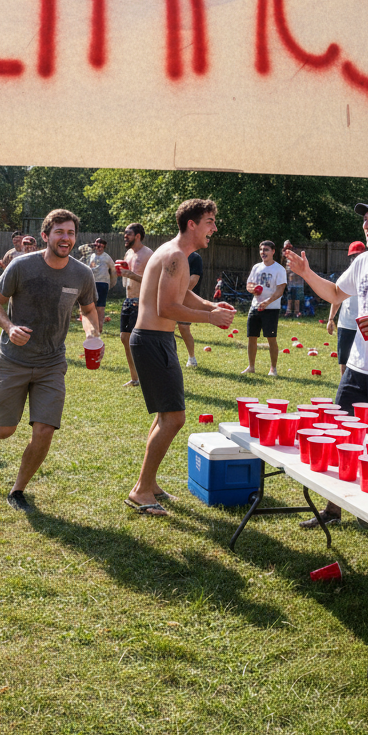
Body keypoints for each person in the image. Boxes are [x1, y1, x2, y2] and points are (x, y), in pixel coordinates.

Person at [0, 210, 99, 512]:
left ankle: (18, 490)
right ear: (46, 236)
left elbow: (89, 310)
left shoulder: (81, 274)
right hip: (14, 360)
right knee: (6, 430)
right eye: (59, 232)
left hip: (52, 363)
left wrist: (93, 333)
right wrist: (9, 327)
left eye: (70, 233)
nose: (65, 238)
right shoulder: (21, 266)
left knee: (44, 430)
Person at [125, 199, 235, 516]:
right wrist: (210, 319)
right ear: (192, 224)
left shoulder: (176, 254)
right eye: (210, 221)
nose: (214, 228)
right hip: (153, 340)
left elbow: (182, 294)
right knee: (174, 418)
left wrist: (211, 307)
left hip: (155, 340)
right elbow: (166, 308)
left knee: (165, 415)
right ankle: (142, 490)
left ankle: (150, 484)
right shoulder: (175, 255)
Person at [286, 204, 368, 528]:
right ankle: (334, 509)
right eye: (365, 219)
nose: (366, 224)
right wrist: (306, 273)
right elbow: (335, 293)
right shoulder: (364, 261)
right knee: (339, 434)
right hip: (357, 367)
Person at [242, 241, 287, 377]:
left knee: (271, 338)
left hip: (271, 308)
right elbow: (249, 284)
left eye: (266, 250)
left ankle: (273, 368)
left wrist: (267, 302)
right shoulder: (256, 267)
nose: (263, 252)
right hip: (255, 307)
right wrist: (253, 289)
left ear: (273, 251)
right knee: (251, 337)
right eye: (261, 250)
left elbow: (280, 290)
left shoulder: (279, 269)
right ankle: (251, 367)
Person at [326, 241, 367, 380]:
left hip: (365, 324)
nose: (356, 259)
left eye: (359, 255)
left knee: (364, 360)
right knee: (343, 358)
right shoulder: (346, 275)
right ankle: (343, 384)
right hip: (346, 324)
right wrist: (331, 319)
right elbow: (336, 297)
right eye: (353, 256)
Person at [119, 223, 153, 388]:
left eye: (128, 233)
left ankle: (148, 376)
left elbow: (153, 280)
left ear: (137, 236)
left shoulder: (148, 254)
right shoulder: (128, 253)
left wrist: (131, 275)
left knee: (139, 340)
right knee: (125, 338)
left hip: (142, 301)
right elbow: (127, 277)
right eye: (125, 233)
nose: (125, 236)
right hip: (128, 300)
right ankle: (135, 378)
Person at [77, 237, 117, 332]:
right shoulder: (90, 255)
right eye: (97, 245)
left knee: (100, 307)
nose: (99, 247)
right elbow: (80, 248)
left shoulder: (107, 257)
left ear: (104, 247)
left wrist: (110, 284)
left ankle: (100, 328)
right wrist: (92, 244)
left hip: (103, 284)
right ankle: (92, 327)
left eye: (101, 246)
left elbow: (114, 271)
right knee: (91, 306)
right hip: (92, 283)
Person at [176, 251, 204, 367]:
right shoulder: (174, 255)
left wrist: (177, 294)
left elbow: (193, 282)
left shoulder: (195, 258)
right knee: (165, 327)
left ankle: (191, 358)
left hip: (186, 298)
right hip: (170, 297)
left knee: (183, 328)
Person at [283, 240, 304, 317]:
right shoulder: (284, 256)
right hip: (290, 280)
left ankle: (296, 311)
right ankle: (288, 311)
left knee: (297, 297)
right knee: (289, 296)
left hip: (298, 280)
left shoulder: (296, 255)